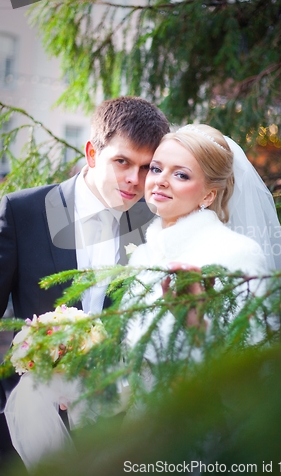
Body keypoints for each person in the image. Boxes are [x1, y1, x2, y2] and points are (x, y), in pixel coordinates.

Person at [0, 96, 169, 467]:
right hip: (31, 413)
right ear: (92, 153)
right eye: (122, 161)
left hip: (116, 419)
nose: (134, 180)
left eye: (147, 168)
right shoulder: (22, 211)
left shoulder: (153, 226)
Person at [125, 124, 281, 359]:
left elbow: (256, 362)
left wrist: (198, 328)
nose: (161, 181)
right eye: (156, 169)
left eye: (181, 174)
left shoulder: (238, 254)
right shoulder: (141, 256)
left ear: (208, 195)